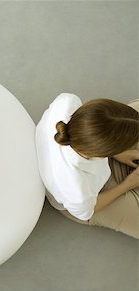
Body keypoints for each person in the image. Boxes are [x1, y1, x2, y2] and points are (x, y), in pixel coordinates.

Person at [36, 93, 139, 239]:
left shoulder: (67, 102)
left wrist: (118, 153)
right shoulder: (77, 192)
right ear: (103, 154)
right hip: (93, 202)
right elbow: (88, 211)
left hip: (95, 151)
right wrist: (127, 184)